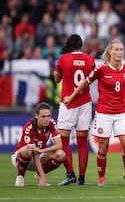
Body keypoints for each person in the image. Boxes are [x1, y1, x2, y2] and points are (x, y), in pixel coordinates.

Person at [63, 40, 125, 186]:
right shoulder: (101, 69)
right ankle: (101, 177)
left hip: (122, 112)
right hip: (104, 113)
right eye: (116, 49)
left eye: (121, 49)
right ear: (110, 51)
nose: (120, 52)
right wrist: (71, 96)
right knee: (103, 146)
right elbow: (85, 82)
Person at [54, 34, 95, 186]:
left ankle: (70, 173)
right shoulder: (90, 59)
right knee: (82, 141)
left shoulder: (63, 59)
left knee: (64, 139)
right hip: (85, 102)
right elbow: (91, 77)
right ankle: (82, 178)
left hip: (68, 102)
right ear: (81, 45)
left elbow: (57, 79)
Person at [11, 102, 65, 187]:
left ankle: (38, 174)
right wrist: (44, 177)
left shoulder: (51, 123)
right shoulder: (29, 127)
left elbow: (59, 145)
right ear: (36, 116)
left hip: (39, 154)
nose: (47, 119)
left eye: (49, 116)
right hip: (21, 157)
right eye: (43, 116)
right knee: (28, 150)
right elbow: (34, 152)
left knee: (61, 154)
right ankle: (20, 176)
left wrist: (43, 150)